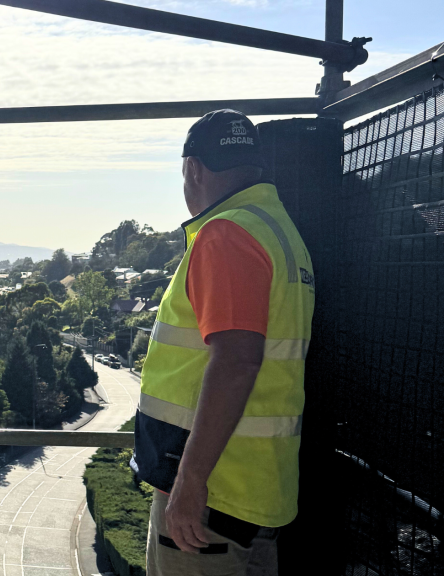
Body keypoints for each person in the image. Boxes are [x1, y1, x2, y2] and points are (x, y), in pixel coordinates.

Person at [131, 110, 315, 575]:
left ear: (193, 169)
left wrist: (190, 480)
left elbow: (237, 361)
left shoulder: (225, 234)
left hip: (212, 497)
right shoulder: (278, 230)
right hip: (257, 490)